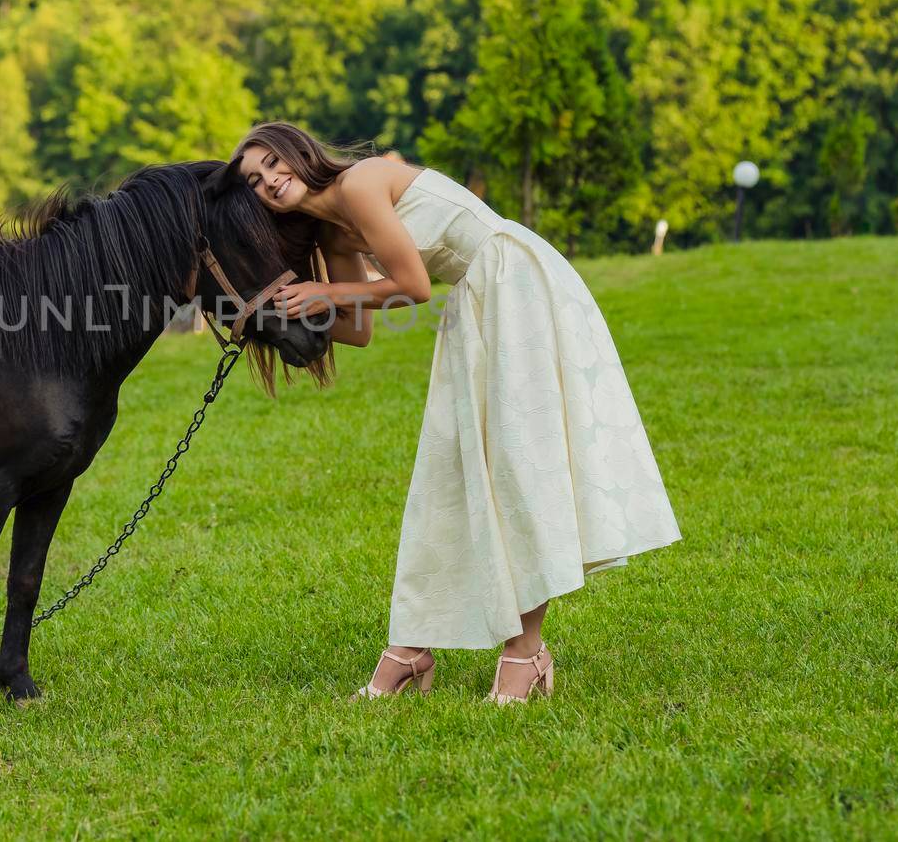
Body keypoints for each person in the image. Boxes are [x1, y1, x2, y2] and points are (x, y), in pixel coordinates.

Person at [226, 122, 681, 704]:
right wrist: (265, 314)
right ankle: (411, 648)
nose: (269, 180)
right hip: (477, 299)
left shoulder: (363, 182)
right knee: (452, 469)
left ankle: (525, 654)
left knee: (518, 465)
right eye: (255, 181)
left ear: (297, 151)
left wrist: (326, 294)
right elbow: (359, 332)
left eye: (272, 162)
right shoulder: (332, 231)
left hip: (516, 285)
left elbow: (412, 286)